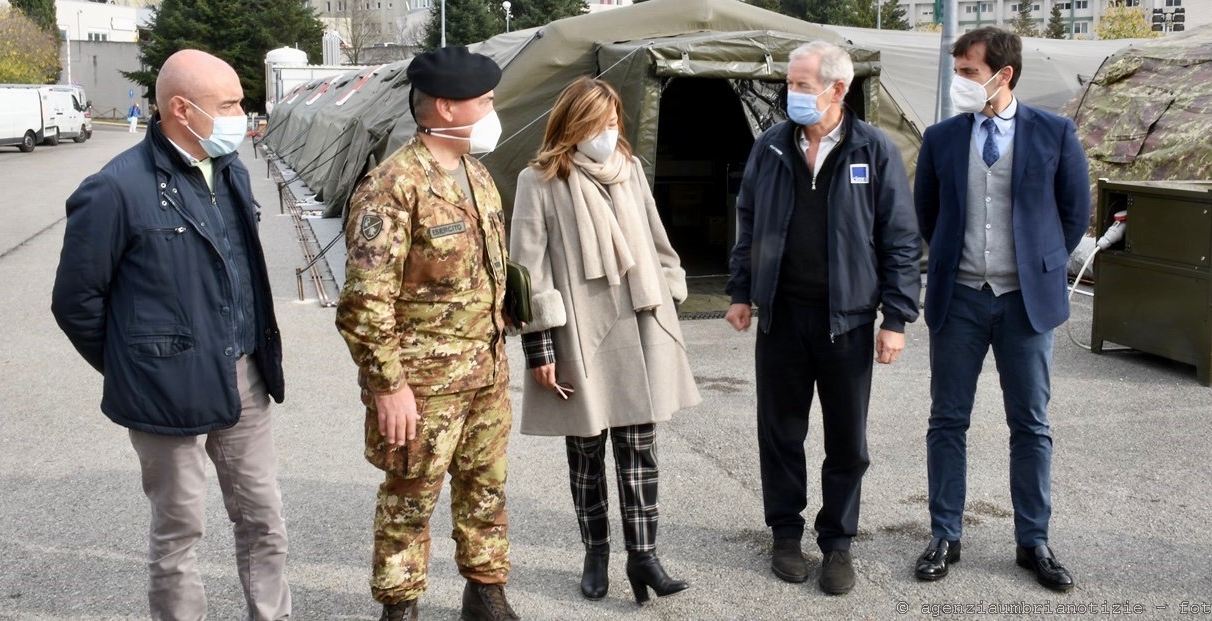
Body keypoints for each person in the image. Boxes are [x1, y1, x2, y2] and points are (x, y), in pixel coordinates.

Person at [52, 49, 290, 620]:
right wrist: (139, 366)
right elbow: (76, 301)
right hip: (166, 387)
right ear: (182, 109)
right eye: (229, 104)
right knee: (180, 529)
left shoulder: (229, 167)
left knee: (264, 518)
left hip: (243, 374)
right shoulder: (114, 189)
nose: (242, 113)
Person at [725, 40, 921, 596]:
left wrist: (896, 318)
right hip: (782, 316)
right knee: (780, 431)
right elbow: (750, 222)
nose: (792, 94)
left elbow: (901, 240)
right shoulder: (770, 147)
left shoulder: (873, 149)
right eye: (790, 84)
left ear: (838, 89)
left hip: (850, 321)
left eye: (802, 85)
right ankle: (785, 535)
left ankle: (837, 543)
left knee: (847, 441)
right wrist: (742, 291)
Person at [336, 46, 518, 621]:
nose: (493, 111)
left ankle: (485, 594)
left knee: (485, 490)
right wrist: (388, 386)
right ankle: (400, 606)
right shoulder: (392, 186)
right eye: (484, 101)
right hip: (422, 385)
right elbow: (365, 302)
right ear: (446, 105)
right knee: (409, 501)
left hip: (485, 373)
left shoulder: (478, 176)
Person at [510, 77, 700, 606]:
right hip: (579, 331)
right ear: (572, 127)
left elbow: (659, 240)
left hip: (640, 325)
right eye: (597, 124)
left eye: (614, 122)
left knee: (640, 449)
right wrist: (539, 349)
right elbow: (528, 269)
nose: (608, 133)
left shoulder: (630, 169)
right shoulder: (540, 180)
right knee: (586, 452)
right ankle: (596, 553)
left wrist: (669, 293)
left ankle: (645, 556)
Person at [912, 26, 1090, 592]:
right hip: (959, 298)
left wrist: (1038, 268)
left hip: (1026, 305)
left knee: (1031, 426)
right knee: (947, 421)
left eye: (967, 72)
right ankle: (945, 533)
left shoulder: (1055, 133)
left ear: (1002, 74)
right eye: (958, 71)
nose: (959, 82)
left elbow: (1072, 213)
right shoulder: (941, 138)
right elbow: (928, 214)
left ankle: (1033, 540)